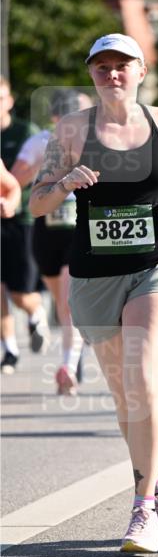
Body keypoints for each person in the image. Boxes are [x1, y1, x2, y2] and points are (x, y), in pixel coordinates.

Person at [29, 33, 158, 554]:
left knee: (142, 375)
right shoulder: (73, 130)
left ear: (141, 70)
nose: (112, 74)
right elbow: (35, 202)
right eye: (101, 67)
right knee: (126, 398)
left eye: (122, 65)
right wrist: (64, 185)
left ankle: (143, 507)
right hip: (94, 274)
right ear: (92, 76)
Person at [12, 90, 85, 393]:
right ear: (54, 117)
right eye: (62, 116)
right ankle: (76, 353)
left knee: (69, 302)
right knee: (60, 302)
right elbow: (14, 180)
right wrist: (40, 167)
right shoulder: (39, 142)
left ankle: (68, 363)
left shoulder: (90, 140)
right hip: (46, 227)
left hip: (78, 225)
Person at [1, 75, 49, 374]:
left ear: (9, 100)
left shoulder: (25, 132)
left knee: (19, 293)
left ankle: (36, 315)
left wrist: (11, 201)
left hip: (21, 219)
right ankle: (9, 350)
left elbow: (20, 180)